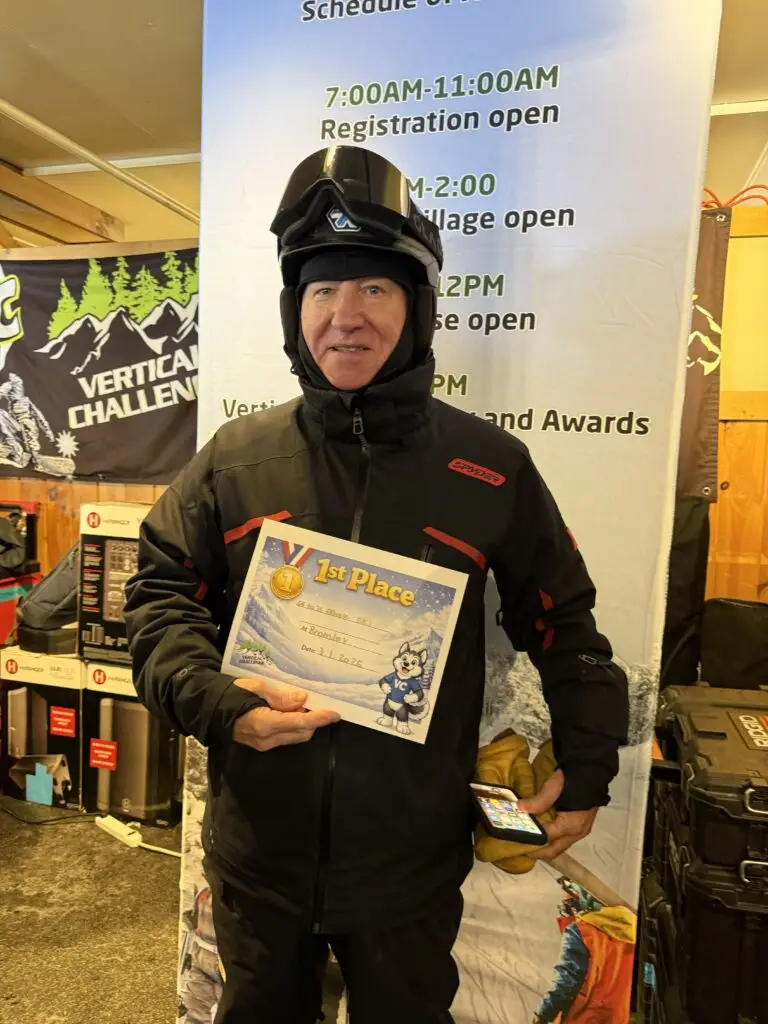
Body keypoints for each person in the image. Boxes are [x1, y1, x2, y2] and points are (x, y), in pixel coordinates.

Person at [125, 145, 629, 1024]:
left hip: (408, 869)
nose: (345, 316)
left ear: (418, 308)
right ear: (295, 312)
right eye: (322, 290)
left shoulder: (490, 468)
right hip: (259, 861)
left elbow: (565, 623)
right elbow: (159, 601)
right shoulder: (236, 460)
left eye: (374, 289)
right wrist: (219, 702)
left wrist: (587, 768)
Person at [533, 879, 637, 1023]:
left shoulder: (582, 932)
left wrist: (542, 1015)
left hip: (584, 1018)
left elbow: (566, 983)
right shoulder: (632, 928)